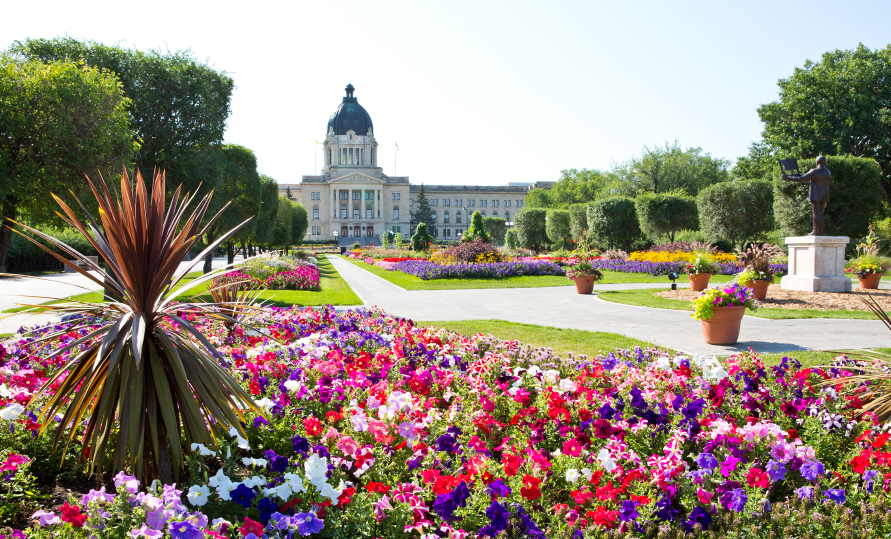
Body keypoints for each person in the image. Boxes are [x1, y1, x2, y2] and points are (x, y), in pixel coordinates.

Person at [782, 156, 831, 236]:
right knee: (821, 213)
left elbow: (801, 179)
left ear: (817, 162)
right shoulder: (828, 171)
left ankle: (816, 231)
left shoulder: (814, 171)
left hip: (816, 195)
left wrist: (788, 177)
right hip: (825, 195)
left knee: (816, 213)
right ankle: (819, 231)